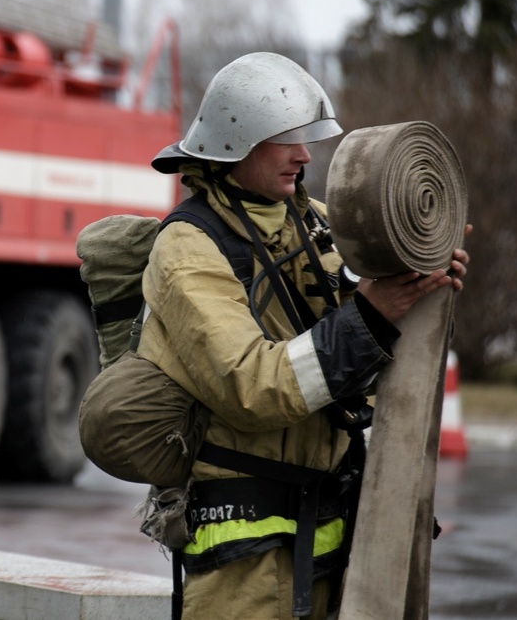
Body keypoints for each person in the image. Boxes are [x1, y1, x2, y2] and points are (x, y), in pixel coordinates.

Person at [141, 52, 471, 619]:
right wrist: (370, 312)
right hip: (241, 566)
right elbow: (250, 386)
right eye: (284, 137)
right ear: (233, 143)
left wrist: (422, 275)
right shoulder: (187, 250)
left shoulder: (316, 221)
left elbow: (371, 346)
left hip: (334, 541)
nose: (304, 153)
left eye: (304, 135)